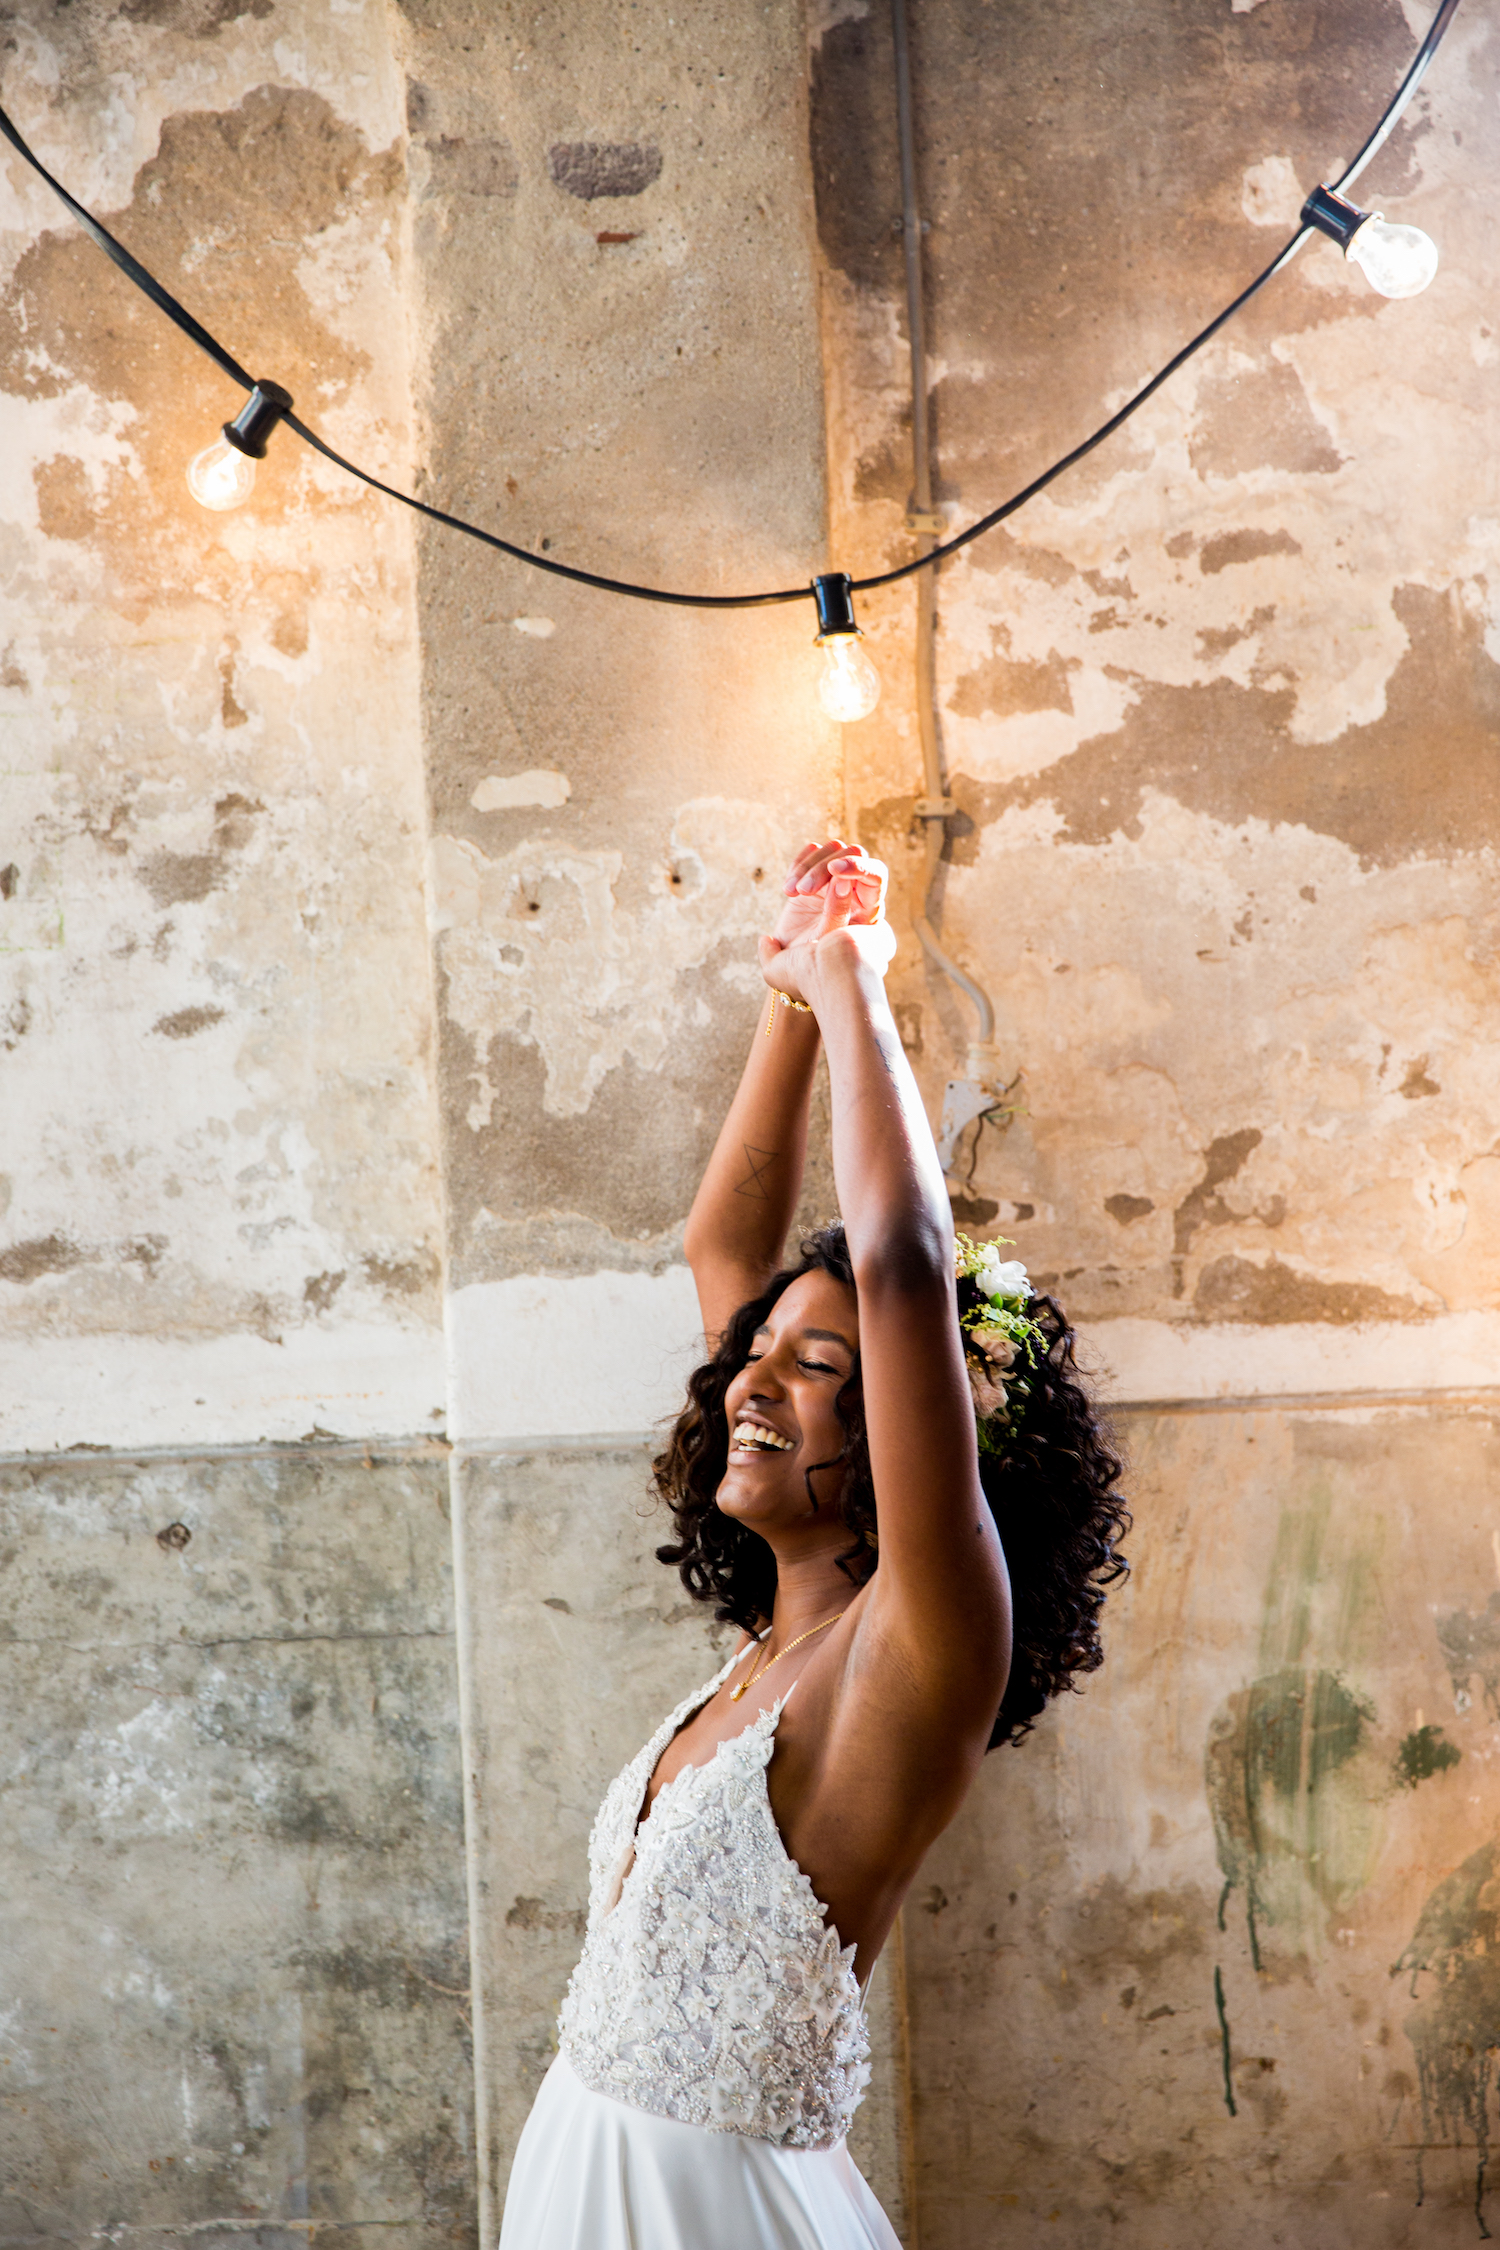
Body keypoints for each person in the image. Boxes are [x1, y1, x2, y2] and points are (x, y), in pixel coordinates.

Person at [499, 839, 1128, 2248]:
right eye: (755, 1354)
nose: (749, 1383)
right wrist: (785, 990)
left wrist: (855, 980)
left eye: (817, 1365)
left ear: (919, 1420)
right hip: (579, 2194)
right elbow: (723, 1236)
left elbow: (903, 1259)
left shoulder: (921, 1640)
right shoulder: (767, 1647)